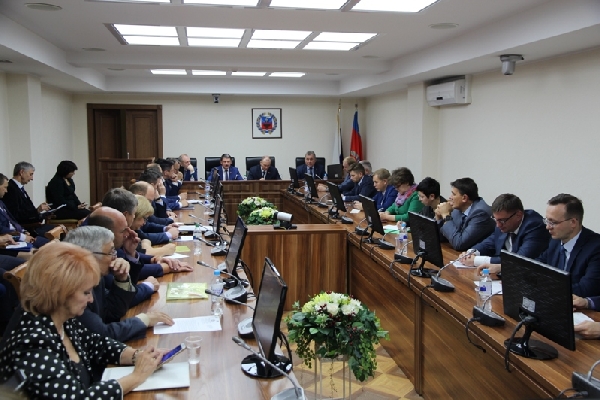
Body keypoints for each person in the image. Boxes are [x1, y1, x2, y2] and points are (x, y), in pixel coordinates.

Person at [0, 242, 165, 397]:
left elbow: (96, 344)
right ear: (61, 292)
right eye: (86, 292)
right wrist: (137, 376)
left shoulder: (60, 316)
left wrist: (138, 356)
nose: (91, 299)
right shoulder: (32, 342)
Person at [64, 226, 174, 342]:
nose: (115, 257)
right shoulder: (71, 290)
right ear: (89, 255)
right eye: (111, 252)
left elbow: (112, 312)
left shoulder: (96, 277)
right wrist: (144, 320)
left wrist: (122, 279)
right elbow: (102, 335)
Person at [459, 194, 550, 275]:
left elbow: (519, 260)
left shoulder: (535, 226)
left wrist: (476, 260)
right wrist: (471, 253)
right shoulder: (502, 223)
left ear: (518, 215)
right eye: (495, 219)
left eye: (502, 221)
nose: (498, 225)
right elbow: (489, 243)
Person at [536, 194, 600, 298]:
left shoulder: (596, 248)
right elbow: (537, 266)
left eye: (553, 222)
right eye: (547, 221)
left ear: (573, 222)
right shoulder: (555, 241)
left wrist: (545, 288)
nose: (548, 227)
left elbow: (586, 288)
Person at [435, 177, 495, 251]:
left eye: (453, 194)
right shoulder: (458, 209)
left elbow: (459, 244)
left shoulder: (480, 213)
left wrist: (446, 216)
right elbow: (443, 238)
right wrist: (439, 218)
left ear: (464, 198)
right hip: (462, 253)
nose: (450, 197)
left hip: (480, 254)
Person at [0, 173, 49, 252]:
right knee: (47, 248)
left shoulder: (1, 202)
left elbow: (12, 220)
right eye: (5, 187)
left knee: (51, 244)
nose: (6, 191)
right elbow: (1, 229)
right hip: (10, 240)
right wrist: (21, 236)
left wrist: (23, 231)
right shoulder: (12, 192)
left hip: (19, 234)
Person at [2, 161, 51, 226]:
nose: (32, 178)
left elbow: (27, 210)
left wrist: (41, 214)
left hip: (32, 224)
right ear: (21, 172)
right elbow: (15, 215)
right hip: (25, 227)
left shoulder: (19, 188)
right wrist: (37, 211)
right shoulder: (10, 188)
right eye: (31, 174)